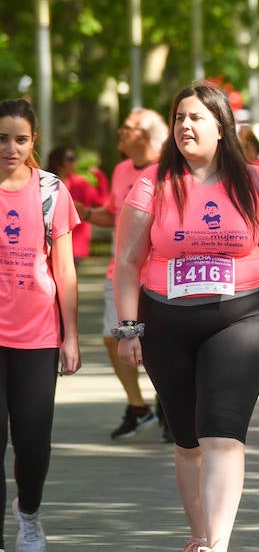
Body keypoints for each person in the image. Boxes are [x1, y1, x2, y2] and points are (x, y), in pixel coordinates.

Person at [113, 83, 259, 552]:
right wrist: (127, 329)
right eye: (179, 117)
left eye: (196, 118)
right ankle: (199, 539)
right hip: (165, 321)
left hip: (241, 318)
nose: (185, 126)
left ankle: (220, 551)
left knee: (223, 434)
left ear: (222, 126)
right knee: (187, 441)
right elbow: (126, 262)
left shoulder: (257, 183)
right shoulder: (152, 183)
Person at [0, 100, 81, 552]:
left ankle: (28, 510)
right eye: (2, 138)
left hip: (37, 336)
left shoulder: (51, 190)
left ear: (33, 141)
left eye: (20, 139)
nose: (10, 148)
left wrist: (71, 335)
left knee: (32, 444)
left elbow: (65, 269)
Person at [87, 108, 170, 440]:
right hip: (119, 268)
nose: (120, 132)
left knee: (162, 344)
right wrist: (88, 213)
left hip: (158, 270)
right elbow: (114, 214)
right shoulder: (122, 169)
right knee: (113, 337)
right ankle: (139, 408)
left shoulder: (168, 169)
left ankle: (169, 405)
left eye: (128, 128)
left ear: (146, 135)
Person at [46, 147, 100, 265]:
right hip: (48, 242)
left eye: (75, 158)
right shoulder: (45, 183)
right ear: (58, 162)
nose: (74, 162)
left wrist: (99, 176)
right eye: (70, 159)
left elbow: (101, 199)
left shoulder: (80, 183)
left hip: (74, 245)